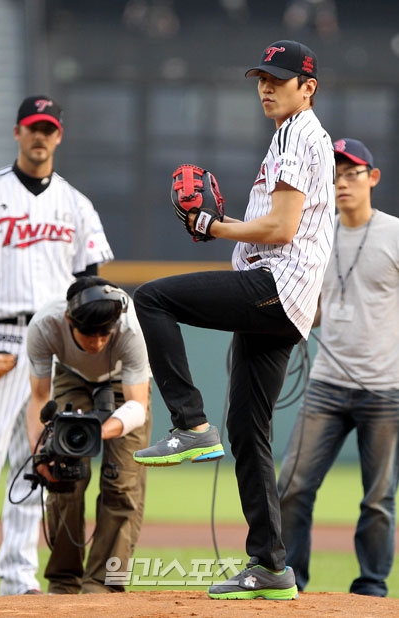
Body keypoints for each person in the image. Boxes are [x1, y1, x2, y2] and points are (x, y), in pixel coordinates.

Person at [132, 39, 335, 600]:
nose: (266, 86)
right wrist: (222, 225)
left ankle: (190, 424)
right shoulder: (289, 136)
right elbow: (277, 224)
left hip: (275, 285)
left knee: (151, 298)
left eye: (278, 78)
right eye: (261, 77)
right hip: (282, 296)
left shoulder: (298, 134)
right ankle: (270, 565)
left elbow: (280, 230)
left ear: (307, 88)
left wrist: (213, 226)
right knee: (249, 429)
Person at [0, 95, 114, 600]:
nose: (40, 136)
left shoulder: (76, 204)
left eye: (48, 128)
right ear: (17, 132)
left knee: (37, 460)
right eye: (32, 127)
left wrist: (90, 355)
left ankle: (17, 578)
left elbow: (92, 288)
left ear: (58, 135)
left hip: (53, 343)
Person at [278, 138, 399, 597]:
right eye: (336, 174)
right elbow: (310, 306)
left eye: (352, 173)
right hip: (327, 383)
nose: (343, 181)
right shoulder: (314, 232)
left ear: (373, 177)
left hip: (385, 388)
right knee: (292, 484)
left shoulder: (393, 233)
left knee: (378, 499)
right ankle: (291, 581)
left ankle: (370, 588)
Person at [26, 275, 152, 594]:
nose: (96, 342)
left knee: (122, 481)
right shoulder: (44, 325)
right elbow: (39, 398)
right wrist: (40, 453)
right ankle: (64, 580)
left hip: (125, 384)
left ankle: (103, 584)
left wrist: (98, 430)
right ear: (69, 320)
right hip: (72, 376)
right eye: (88, 333)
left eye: (103, 334)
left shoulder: (130, 328)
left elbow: (138, 405)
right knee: (63, 474)